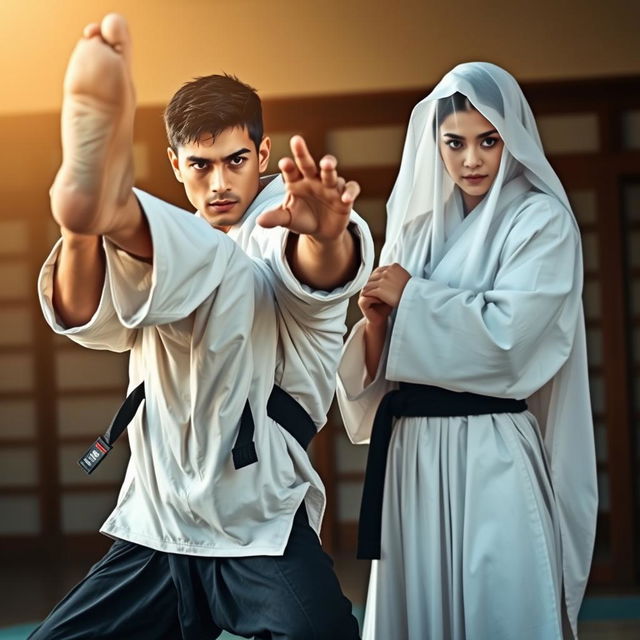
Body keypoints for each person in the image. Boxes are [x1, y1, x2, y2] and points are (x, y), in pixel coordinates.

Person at [32, 13, 373, 640]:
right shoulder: (158, 257)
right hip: (157, 518)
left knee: (227, 266)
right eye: (198, 166)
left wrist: (327, 234)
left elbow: (322, 277)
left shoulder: (280, 229)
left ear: (263, 155)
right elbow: (84, 316)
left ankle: (104, 206)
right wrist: (90, 240)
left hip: (257, 520)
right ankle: (82, 225)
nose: (218, 184)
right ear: (173, 162)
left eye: (235, 161)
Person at [337, 62, 597, 640]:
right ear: (436, 141)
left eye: (488, 141)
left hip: (491, 451)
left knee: (497, 609)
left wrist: (413, 297)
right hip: (412, 455)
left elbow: (508, 343)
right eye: (454, 143)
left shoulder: (542, 223)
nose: (471, 160)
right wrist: (378, 325)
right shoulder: (417, 230)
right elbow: (385, 366)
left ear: (513, 138)